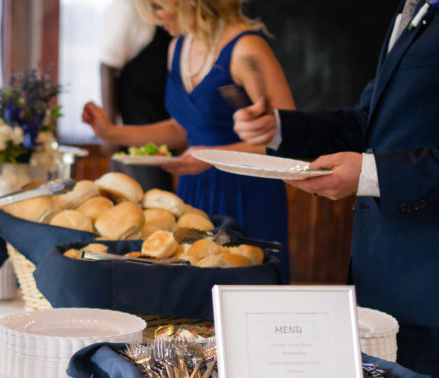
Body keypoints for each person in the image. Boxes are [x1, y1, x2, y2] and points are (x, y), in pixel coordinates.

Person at [233, 0, 439, 378]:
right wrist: (279, 129)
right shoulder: (411, 10)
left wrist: (371, 173)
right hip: (384, 285)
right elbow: (369, 121)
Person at [82, 0, 296, 279]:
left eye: (159, 7)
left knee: (246, 290)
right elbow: (183, 128)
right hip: (193, 190)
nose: (157, 20)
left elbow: (290, 138)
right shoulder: (177, 47)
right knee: (191, 293)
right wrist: (112, 132)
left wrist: (212, 156)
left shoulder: (248, 48)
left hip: (246, 191)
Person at [99, 0, 174, 192]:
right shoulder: (128, 7)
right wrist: (111, 130)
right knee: (143, 196)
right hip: (134, 125)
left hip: (164, 126)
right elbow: (107, 66)